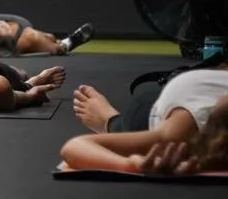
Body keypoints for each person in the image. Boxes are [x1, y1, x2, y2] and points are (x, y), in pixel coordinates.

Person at [60, 68, 228, 172]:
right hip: (191, 82)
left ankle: (111, 121)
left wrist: (129, 165)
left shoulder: (182, 130)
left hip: (152, 105)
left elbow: (74, 147)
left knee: (133, 124)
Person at [0, 14, 94, 58]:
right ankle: (67, 43)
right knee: (56, 45)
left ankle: (65, 42)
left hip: (20, 37)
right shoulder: (27, 38)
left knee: (50, 37)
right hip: (22, 40)